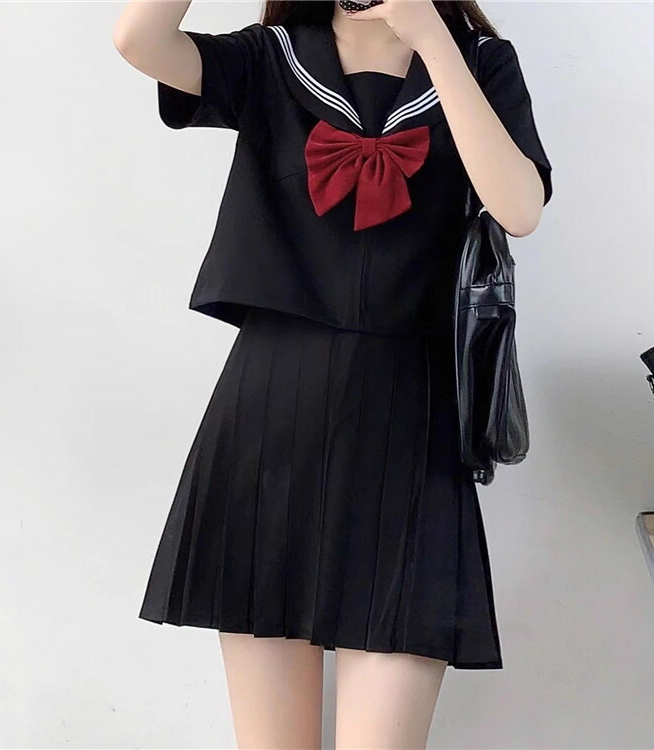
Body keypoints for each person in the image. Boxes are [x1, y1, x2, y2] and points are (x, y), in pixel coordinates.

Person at [114, 0, 553, 746]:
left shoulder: (479, 63)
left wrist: (430, 36)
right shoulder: (272, 56)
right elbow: (138, 39)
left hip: (411, 429)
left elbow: (519, 208)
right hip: (269, 427)